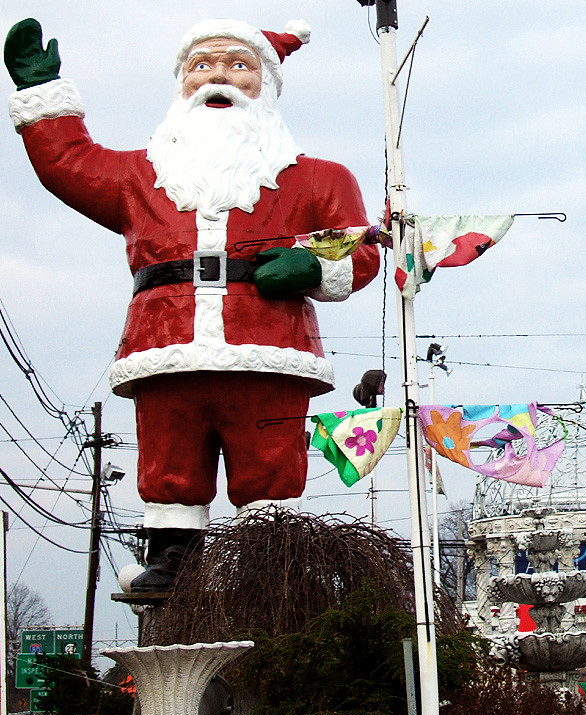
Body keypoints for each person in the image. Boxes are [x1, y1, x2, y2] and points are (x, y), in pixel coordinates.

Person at [5, 18, 380, 591]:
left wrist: (314, 265)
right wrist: (41, 94)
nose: (218, 78)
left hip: (269, 350)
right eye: (202, 65)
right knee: (169, 457)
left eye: (238, 66)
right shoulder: (139, 176)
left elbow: (359, 253)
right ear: (181, 83)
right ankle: (174, 560)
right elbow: (69, 164)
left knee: (269, 460)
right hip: (164, 344)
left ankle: (267, 563)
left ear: (267, 85)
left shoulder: (318, 179)